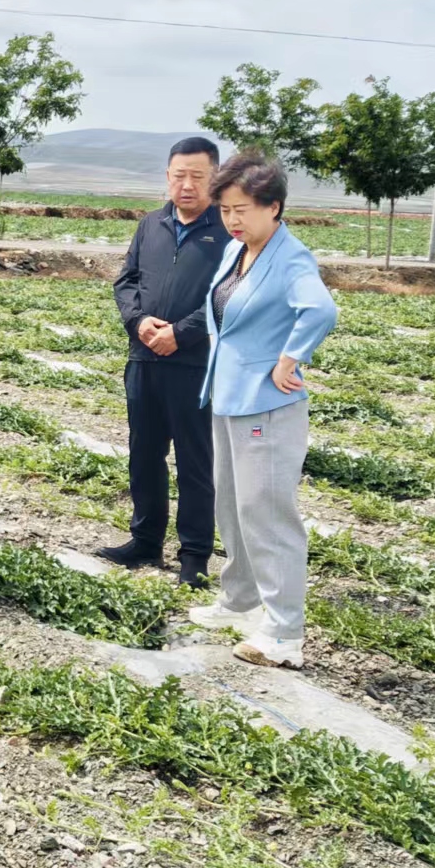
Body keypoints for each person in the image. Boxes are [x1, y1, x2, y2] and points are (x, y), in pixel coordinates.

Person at [188, 152, 337, 670]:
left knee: (268, 514)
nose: (232, 219)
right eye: (226, 209)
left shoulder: (289, 256)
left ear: (274, 207)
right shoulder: (240, 252)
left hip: (267, 406)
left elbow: (320, 308)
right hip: (228, 397)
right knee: (231, 505)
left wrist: (290, 358)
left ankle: (283, 631)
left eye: (243, 209)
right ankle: (240, 600)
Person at [101, 136, 228, 586]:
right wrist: (139, 323)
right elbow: (126, 280)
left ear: (215, 177)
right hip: (144, 359)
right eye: (179, 176)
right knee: (144, 454)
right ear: (168, 177)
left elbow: (228, 294)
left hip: (194, 364)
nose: (187, 185)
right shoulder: (150, 224)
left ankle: (194, 555)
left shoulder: (227, 232)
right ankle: (145, 540)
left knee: (195, 462)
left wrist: (181, 333)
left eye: (197, 176)